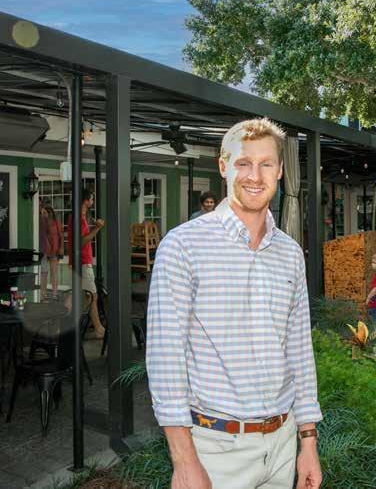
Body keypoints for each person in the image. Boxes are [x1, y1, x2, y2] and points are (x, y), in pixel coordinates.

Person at [147, 118, 322, 489]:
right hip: (215, 451)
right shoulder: (183, 246)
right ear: (224, 166)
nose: (255, 175)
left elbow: (299, 351)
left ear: (280, 170)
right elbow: (165, 357)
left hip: (283, 443)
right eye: (244, 163)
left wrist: (308, 441)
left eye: (266, 163)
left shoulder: (291, 253)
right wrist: (184, 461)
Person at [67, 189, 105, 339]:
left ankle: (70, 326)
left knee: (85, 297)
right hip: (82, 261)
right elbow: (81, 241)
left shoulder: (78, 217)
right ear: (85, 201)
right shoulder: (78, 218)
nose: (93, 202)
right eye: (92, 199)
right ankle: (98, 329)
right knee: (93, 295)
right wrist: (97, 228)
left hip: (80, 261)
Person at [40, 205, 64, 300]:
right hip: (45, 250)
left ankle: (54, 293)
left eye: (44, 213)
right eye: (42, 213)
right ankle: (43, 293)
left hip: (55, 249)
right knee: (44, 272)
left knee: (54, 272)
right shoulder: (42, 223)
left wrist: (61, 248)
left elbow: (61, 236)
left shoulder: (56, 222)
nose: (42, 214)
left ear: (50, 213)